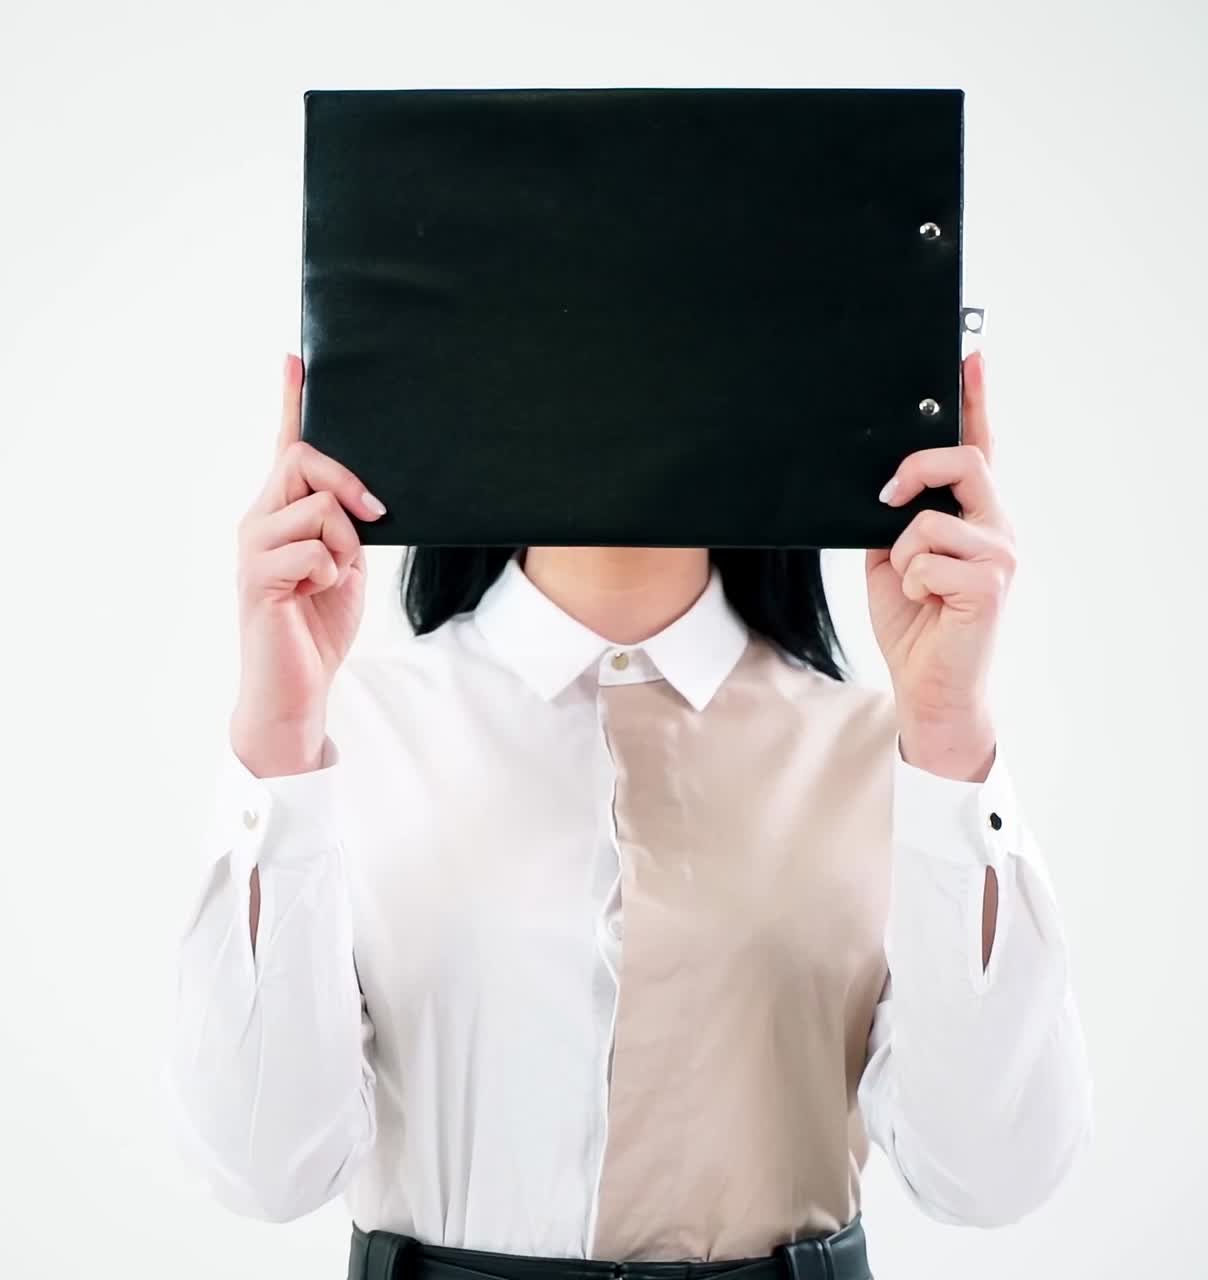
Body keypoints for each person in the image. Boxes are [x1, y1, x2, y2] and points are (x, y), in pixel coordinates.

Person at [164, 350, 1093, 1280]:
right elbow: (265, 1168)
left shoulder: (885, 752)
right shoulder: (348, 734)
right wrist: (280, 742)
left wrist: (950, 735)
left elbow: (990, 1173)